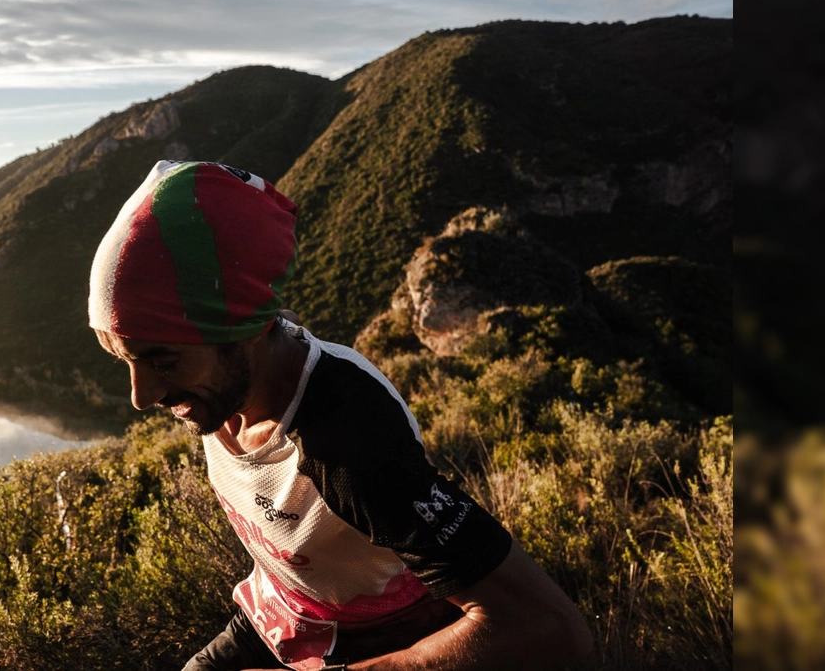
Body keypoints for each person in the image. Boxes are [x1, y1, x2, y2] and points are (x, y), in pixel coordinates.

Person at [88, 160, 593, 671]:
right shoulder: (229, 380)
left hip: (367, 643)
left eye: (162, 360)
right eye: (124, 359)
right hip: (276, 614)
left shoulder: (349, 446)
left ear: (243, 329)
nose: (141, 394)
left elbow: (548, 630)